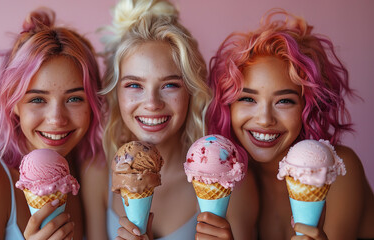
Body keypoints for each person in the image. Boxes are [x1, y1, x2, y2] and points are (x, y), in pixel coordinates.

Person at [82, 0, 258, 239]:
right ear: (116, 93)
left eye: (170, 85)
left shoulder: (229, 178)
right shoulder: (97, 174)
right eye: (134, 85)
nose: (152, 103)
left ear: (191, 92)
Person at [207, 8, 374, 240]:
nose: (265, 119)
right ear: (228, 106)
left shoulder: (337, 170)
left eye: (284, 101)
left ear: (308, 107)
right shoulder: (231, 180)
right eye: (247, 99)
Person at [0, 7, 104, 240]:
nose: (57, 119)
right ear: (13, 103)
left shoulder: (84, 170)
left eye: (74, 98)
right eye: (37, 99)